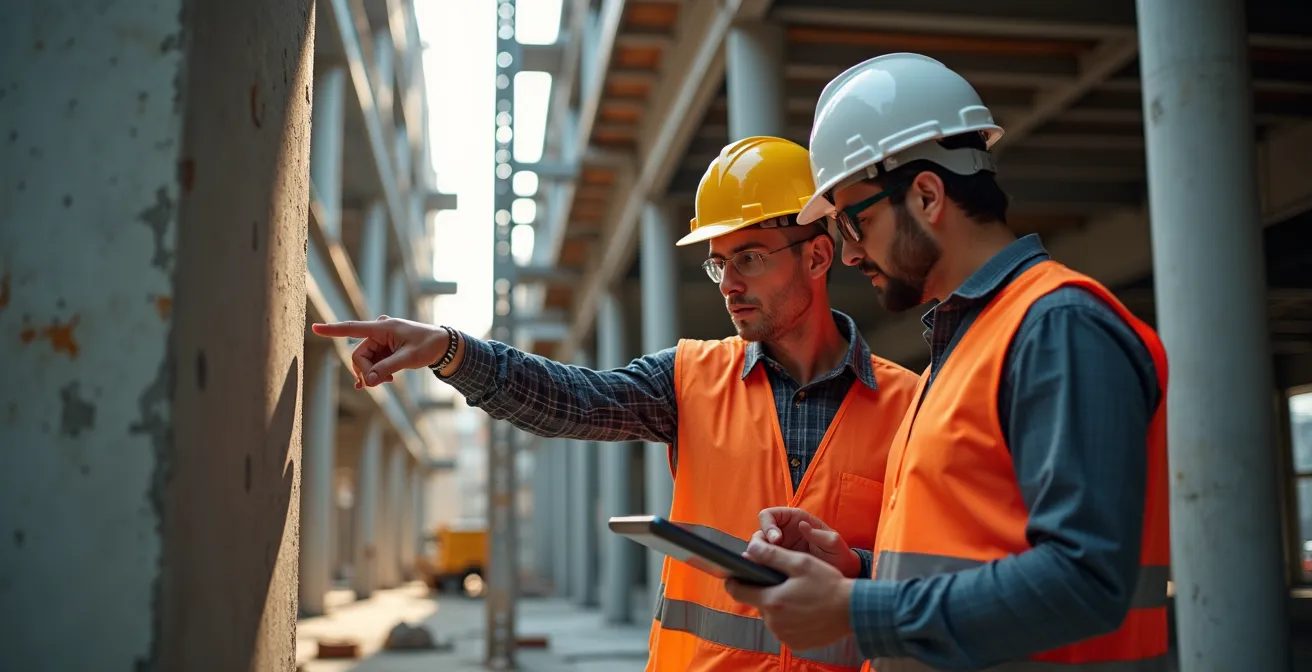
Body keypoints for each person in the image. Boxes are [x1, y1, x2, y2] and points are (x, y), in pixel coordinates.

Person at [311, 136, 921, 671]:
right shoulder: (689, 378)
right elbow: (572, 400)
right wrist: (449, 350)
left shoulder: (913, 405)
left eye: (750, 257)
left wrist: (856, 569)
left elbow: (932, 574)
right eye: (719, 263)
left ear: (816, 255)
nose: (730, 283)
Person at [722, 53, 1171, 672]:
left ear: (927, 195)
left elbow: (1085, 580)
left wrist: (857, 610)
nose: (850, 255)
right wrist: (858, 573)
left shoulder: (1057, 327)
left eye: (856, 222)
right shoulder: (956, 356)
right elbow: (973, 556)